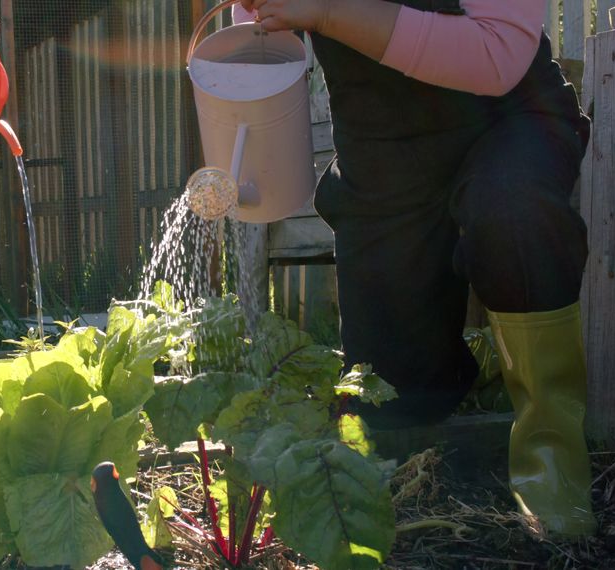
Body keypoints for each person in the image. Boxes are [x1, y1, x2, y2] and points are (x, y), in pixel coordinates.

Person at [235, 0, 595, 537]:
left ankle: (553, 459)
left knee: (512, 210)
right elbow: (261, 43)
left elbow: (496, 56)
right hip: (384, 155)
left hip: (509, 123)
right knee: (393, 398)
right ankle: (466, 370)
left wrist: (328, 11)